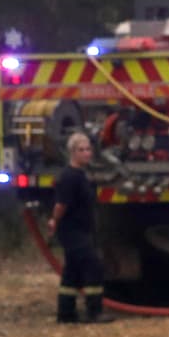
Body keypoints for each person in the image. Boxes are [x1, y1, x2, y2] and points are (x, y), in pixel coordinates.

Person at [47, 132, 113, 324]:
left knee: (72, 271)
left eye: (88, 149)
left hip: (82, 229)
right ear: (72, 153)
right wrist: (54, 220)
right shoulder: (69, 177)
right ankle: (95, 311)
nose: (86, 153)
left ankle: (65, 313)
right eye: (81, 150)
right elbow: (61, 204)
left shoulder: (81, 175)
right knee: (93, 266)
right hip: (71, 231)